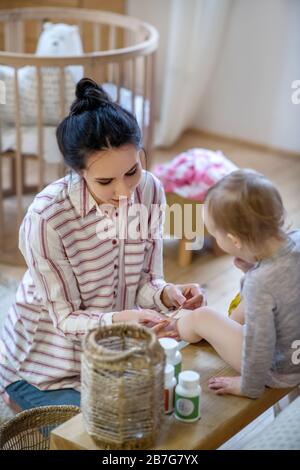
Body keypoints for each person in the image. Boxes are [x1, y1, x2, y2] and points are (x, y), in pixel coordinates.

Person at [0, 78, 205, 410]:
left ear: (140, 153)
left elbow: (146, 280)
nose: (125, 192)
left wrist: (167, 294)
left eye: (132, 170)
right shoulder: (47, 219)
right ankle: (18, 395)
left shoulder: (150, 190)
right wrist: (120, 320)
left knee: (162, 403)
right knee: (103, 430)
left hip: (112, 350)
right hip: (44, 366)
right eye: (106, 181)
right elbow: (65, 319)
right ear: (77, 173)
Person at [169, 169, 300, 398]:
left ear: (234, 240)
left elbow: (260, 343)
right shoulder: (296, 239)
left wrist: (248, 386)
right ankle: (220, 331)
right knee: (241, 311)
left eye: (215, 234)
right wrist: (252, 269)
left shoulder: (260, 283)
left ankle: (171, 330)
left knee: (204, 316)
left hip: (280, 369)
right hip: (295, 350)